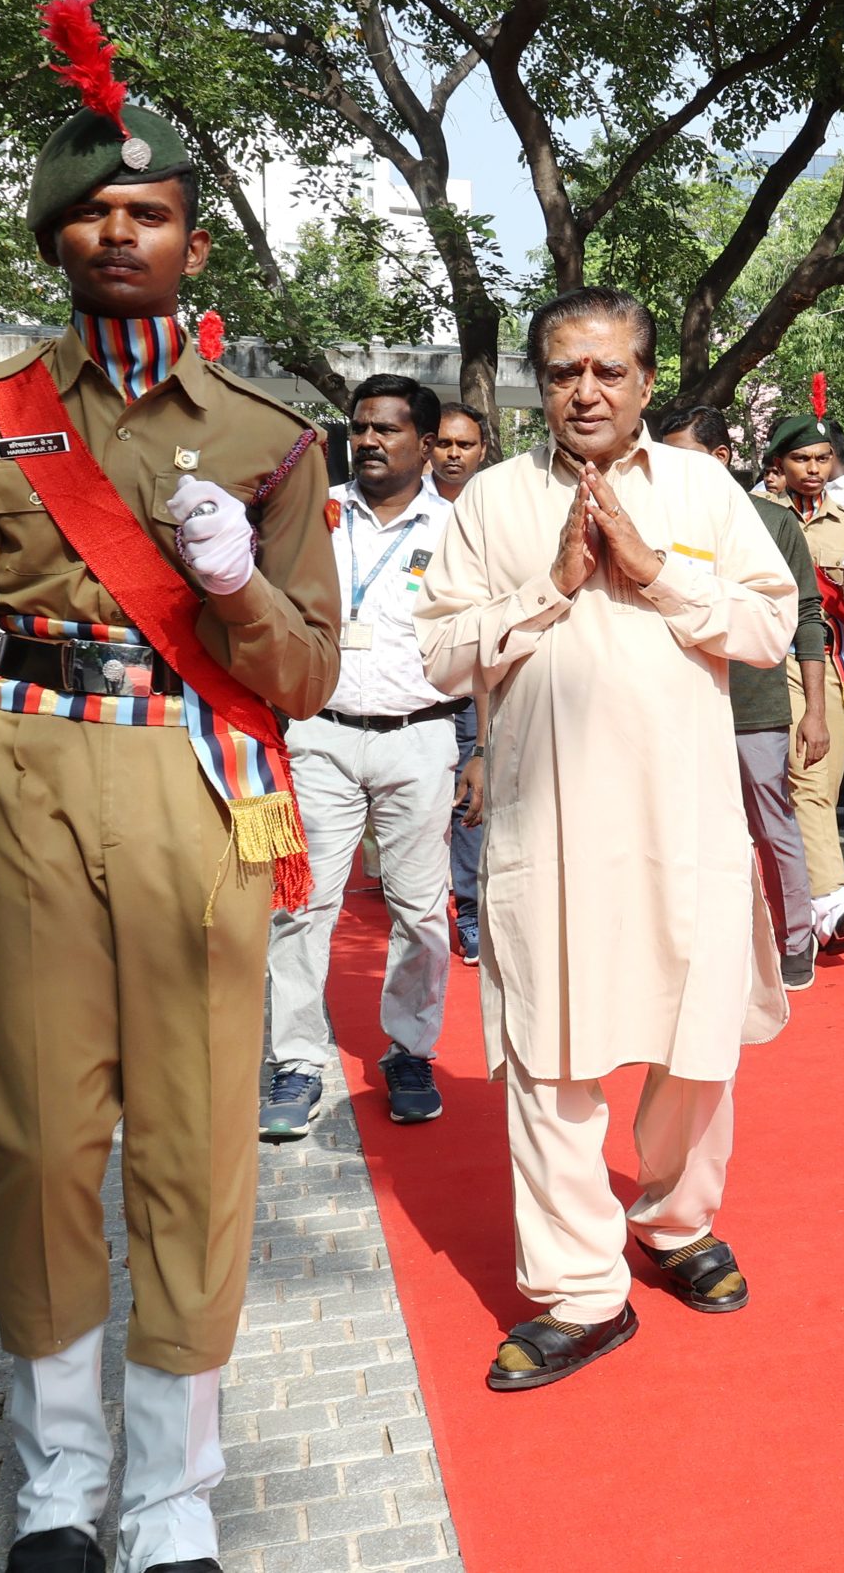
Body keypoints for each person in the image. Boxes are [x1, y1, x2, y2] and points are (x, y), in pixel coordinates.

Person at [0, 24, 340, 1570]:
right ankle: (53, 1481)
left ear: (190, 242)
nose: (117, 231)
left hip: (197, 795)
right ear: (54, 238)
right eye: (90, 210)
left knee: (194, 1139)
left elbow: (307, 672)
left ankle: (170, 1493)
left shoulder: (270, 438)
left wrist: (236, 586)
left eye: (146, 210)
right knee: (31, 1146)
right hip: (26, 788)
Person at [416, 287, 798, 1389]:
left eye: (609, 371)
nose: (586, 391)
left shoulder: (702, 488)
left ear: (644, 382)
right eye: (564, 372)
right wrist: (551, 586)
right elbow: (439, 655)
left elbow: (770, 625)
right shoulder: (492, 501)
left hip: (686, 818)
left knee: (697, 1037)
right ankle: (582, 1290)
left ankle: (675, 1220)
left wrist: (656, 570)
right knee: (548, 1054)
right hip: (549, 828)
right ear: (540, 384)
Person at [260, 374, 463, 1142]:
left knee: (419, 910)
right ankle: (297, 1060)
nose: (369, 439)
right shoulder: (314, 513)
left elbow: (479, 639)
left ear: (426, 443)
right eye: (361, 426)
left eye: (387, 428)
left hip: (421, 735)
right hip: (321, 734)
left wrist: (477, 746)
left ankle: (410, 1051)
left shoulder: (458, 529)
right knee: (302, 903)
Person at [657, 404, 826, 991]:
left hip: (753, 706)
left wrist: (815, 712)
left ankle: (796, 939)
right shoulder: (651, 524)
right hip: (674, 702)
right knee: (681, 832)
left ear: (721, 457)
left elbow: (807, 616)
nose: (671, 470)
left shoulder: (772, 523)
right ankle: (701, 946)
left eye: (684, 457)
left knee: (772, 825)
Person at [767, 411, 844, 956]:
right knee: (809, 781)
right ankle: (830, 901)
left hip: (837, 667)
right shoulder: (757, 516)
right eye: (801, 459)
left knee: (820, 787)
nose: (814, 469)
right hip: (777, 662)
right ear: (780, 463)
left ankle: (803, 911)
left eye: (822, 459)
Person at [431, 402, 495, 964]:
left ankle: (471, 913)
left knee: (470, 801)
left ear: (482, 450)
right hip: (417, 689)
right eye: (445, 443)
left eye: (465, 445)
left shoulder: (496, 511)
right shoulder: (411, 509)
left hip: (479, 685)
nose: (454, 454)